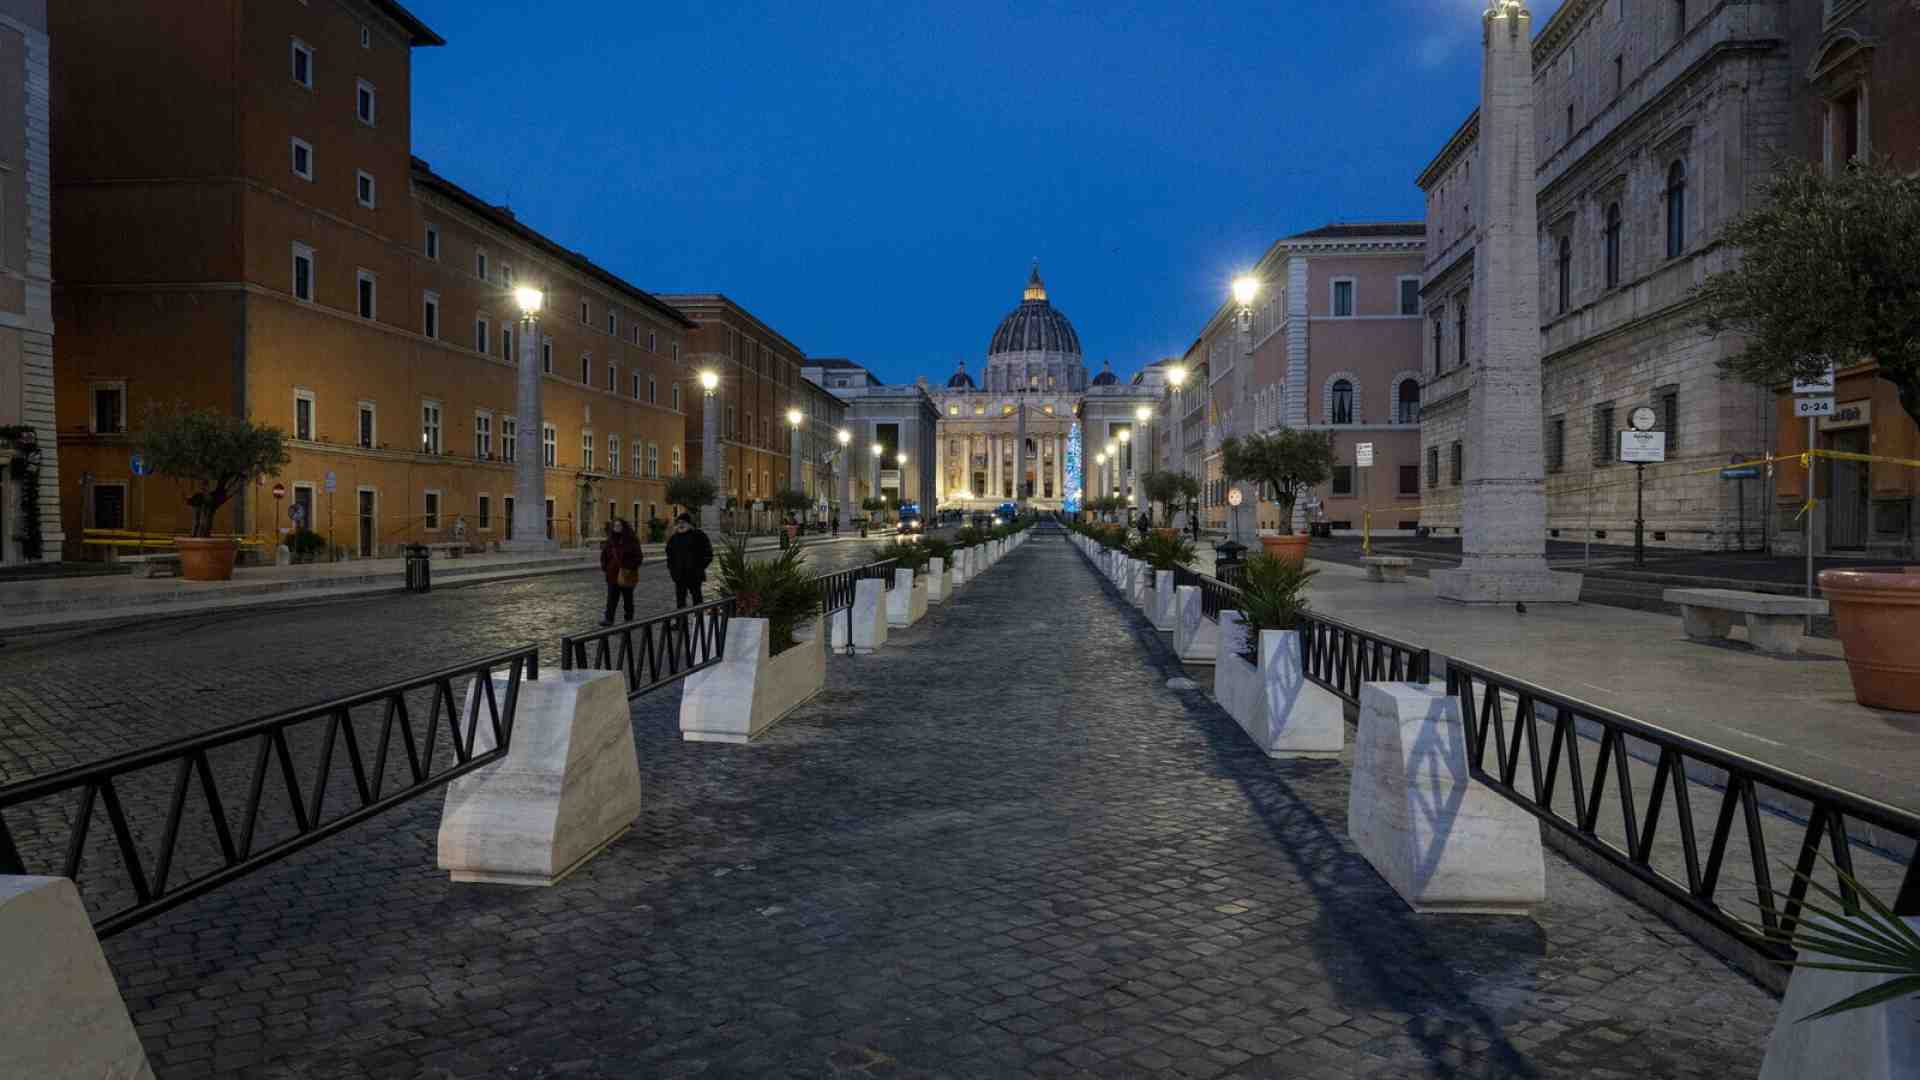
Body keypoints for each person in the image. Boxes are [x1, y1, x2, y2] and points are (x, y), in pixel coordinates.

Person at [599, 518, 643, 626]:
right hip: (612, 575)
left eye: (619, 525)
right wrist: (606, 567)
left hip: (626, 574)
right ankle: (609, 619)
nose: (617, 528)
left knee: (628, 599)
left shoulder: (632, 540)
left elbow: (638, 557)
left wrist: (629, 567)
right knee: (611, 599)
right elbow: (604, 556)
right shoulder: (610, 541)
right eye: (615, 526)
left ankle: (629, 619)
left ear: (623, 527)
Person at [665, 512, 714, 608]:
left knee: (697, 600)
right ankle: (682, 622)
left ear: (689, 523)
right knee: (680, 602)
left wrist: (699, 567)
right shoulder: (674, 538)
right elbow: (669, 556)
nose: (681, 524)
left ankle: (699, 621)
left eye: (683, 522)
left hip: (694, 575)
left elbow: (708, 554)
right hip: (679, 576)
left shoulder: (699, 535)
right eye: (679, 522)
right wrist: (672, 570)